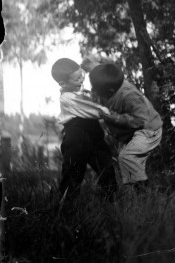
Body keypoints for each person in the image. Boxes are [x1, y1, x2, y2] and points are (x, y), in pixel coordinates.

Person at [51, 58, 117, 199]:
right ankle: (66, 207)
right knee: (72, 176)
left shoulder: (82, 92)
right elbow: (94, 110)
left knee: (107, 171)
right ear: (63, 83)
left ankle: (110, 204)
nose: (81, 80)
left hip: (94, 137)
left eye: (81, 75)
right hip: (76, 139)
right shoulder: (67, 98)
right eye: (76, 79)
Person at [89, 63, 162, 190]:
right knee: (127, 163)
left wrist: (113, 117)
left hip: (149, 130)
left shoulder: (129, 96)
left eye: (97, 89)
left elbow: (141, 120)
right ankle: (138, 193)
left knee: (127, 157)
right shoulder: (109, 84)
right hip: (129, 134)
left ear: (110, 90)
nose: (94, 91)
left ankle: (144, 192)